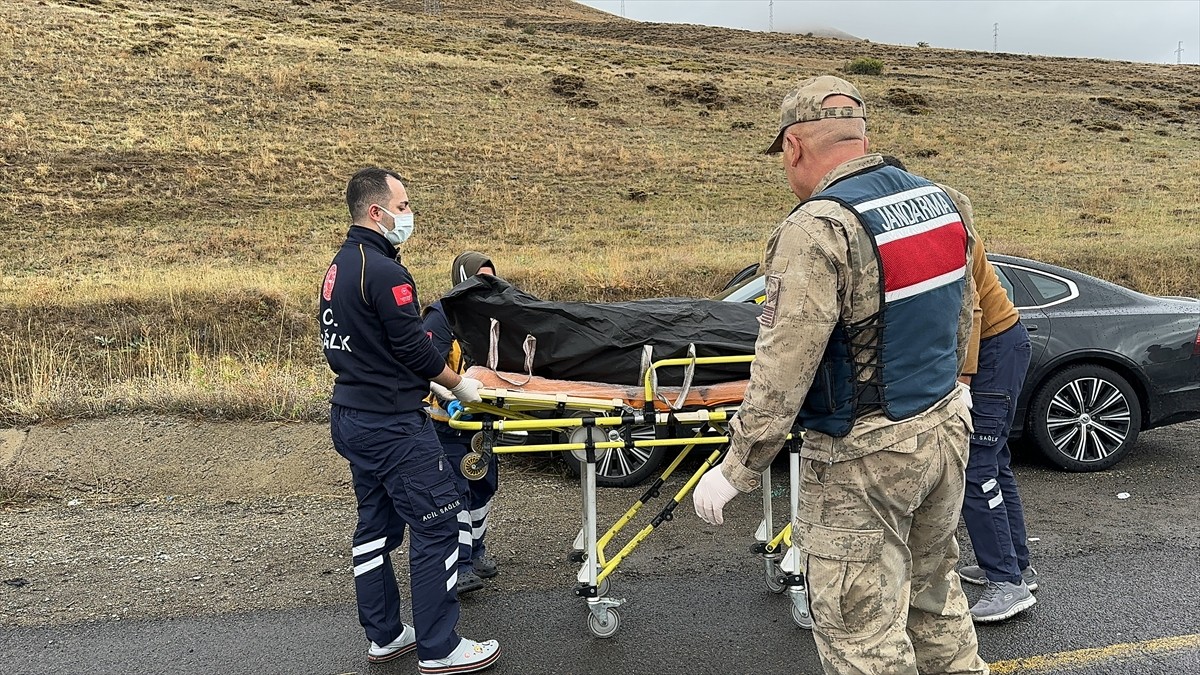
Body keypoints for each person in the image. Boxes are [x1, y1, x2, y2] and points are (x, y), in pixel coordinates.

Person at [692, 77, 988, 674]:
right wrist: (945, 389)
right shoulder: (943, 201)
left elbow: (785, 362)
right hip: (942, 429)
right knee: (937, 604)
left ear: (794, 147)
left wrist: (740, 467)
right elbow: (965, 316)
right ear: (862, 136)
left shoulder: (817, 227)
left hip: (863, 454)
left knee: (862, 638)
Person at [319, 167, 501, 674]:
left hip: (352, 414)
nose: (408, 214)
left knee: (376, 526)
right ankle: (441, 647)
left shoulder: (340, 266)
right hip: (392, 424)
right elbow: (412, 345)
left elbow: (367, 343)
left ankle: (386, 635)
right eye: (402, 206)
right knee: (439, 523)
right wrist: (457, 383)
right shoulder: (384, 271)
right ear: (375, 212)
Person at [881, 156, 1040, 622]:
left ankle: (1006, 584)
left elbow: (968, 309)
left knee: (976, 469)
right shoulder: (933, 216)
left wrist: (964, 380)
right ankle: (1016, 568)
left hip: (992, 348)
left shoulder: (941, 224)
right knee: (998, 464)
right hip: (1001, 344)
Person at [423, 251, 502, 595]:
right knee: (457, 493)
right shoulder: (441, 317)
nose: (482, 287)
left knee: (484, 487)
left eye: (489, 279)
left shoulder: (494, 315)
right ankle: (461, 564)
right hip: (448, 423)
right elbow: (428, 365)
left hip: (484, 421)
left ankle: (477, 551)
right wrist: (450, 398)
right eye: (476, 279)